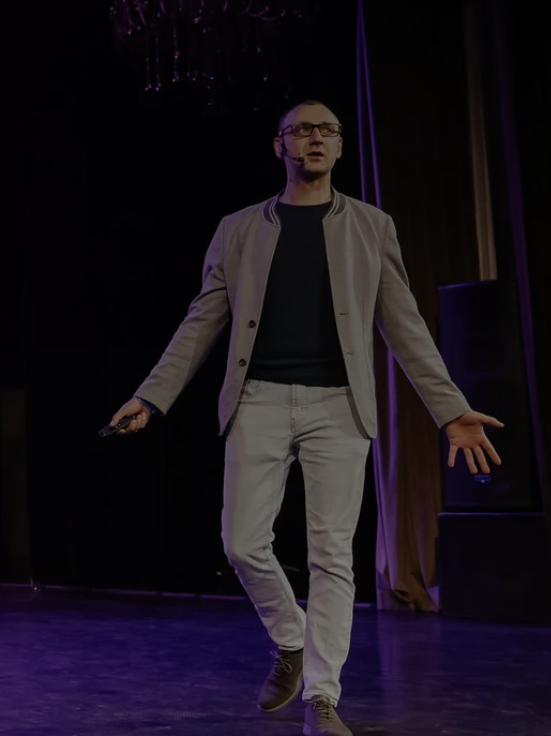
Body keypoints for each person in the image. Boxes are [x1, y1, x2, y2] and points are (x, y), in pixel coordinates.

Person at [110, 100, 503, 736]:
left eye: (327, 131)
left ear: (340, 147)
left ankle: (321, 697)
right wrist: (151, 396)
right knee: (241, 542)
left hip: (339, 406)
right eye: (300, 130)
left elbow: (404, 325)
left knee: (332, 556)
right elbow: (201, 320)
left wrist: (450, 409)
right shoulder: (239, 228)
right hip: (258, 400)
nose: (314, 138)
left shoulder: (372, 226)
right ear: (280, 146)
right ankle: (291, 637)